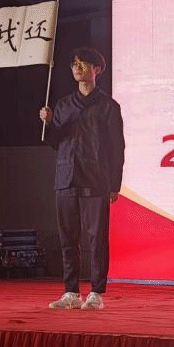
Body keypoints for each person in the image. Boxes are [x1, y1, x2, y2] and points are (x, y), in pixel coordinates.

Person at [39, 48, 125, 310]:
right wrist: (48, 123)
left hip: (96, 180)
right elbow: (54, 142)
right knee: (68, 239)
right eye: (74, 64)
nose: (78, 68)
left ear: (96, 69)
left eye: (83, 64)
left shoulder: (109, 106)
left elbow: (117, 148)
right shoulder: (64, 105)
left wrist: (114, 185)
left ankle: (96, 292)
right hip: (66, 178)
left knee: (96, 238)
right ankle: (71, 292)